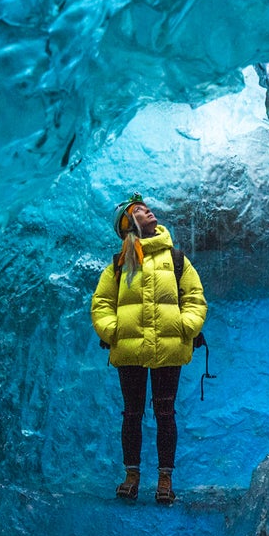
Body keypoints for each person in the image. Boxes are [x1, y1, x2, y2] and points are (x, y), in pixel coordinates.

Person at [91, 193, 207, 505]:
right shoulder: (118, 264)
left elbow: (194, 295)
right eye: (139, 211)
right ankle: (132, 475)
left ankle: (164, 479)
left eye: (146, 208)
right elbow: (101, 303)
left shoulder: (177, 259)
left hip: (168, 348)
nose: (148, 211)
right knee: (132, 413)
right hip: (130, 350)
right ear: (128, 225)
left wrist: (186, 327)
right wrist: (114, 332)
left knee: (165, 413)